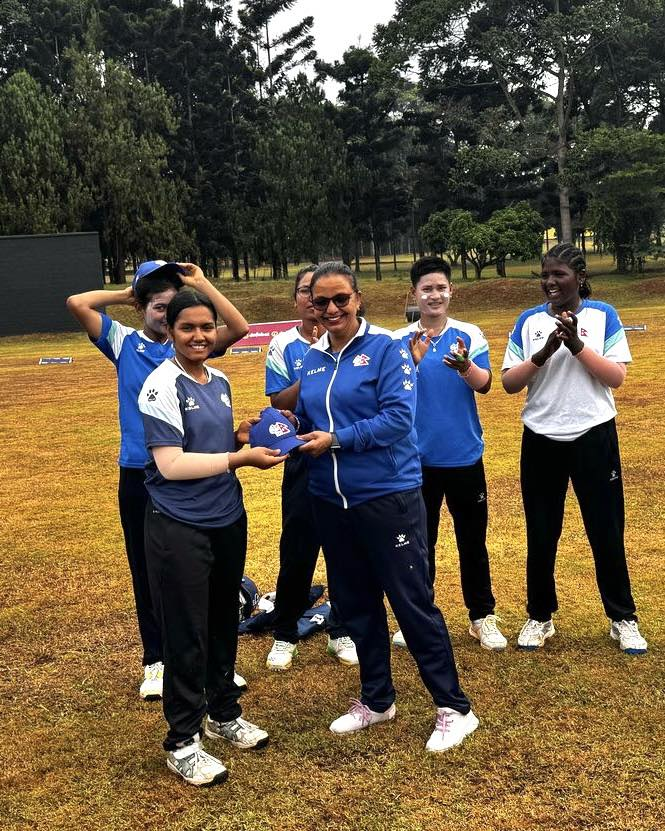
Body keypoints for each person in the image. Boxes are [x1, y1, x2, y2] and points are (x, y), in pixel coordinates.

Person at [296, 261, 478, 753]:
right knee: (355, 602)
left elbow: (398, 419)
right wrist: (282, 427)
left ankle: (455, 708)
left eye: (340, 299)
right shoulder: (312, 358)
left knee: (410, 601)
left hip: (386, 495)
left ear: (358, 299)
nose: (331, 308)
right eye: (321, 301)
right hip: (331, 500)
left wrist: (336, 439)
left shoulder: (386, 348)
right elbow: (310, 418)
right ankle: (377, 699)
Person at [66, 261, 250, 699]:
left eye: (172, 304)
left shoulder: (188, 343)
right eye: (158, 305)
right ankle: (156, 659)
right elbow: (77, 303)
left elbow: (239, 328)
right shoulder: (123, 341)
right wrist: (126, 295)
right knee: (147, 569)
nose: (165, 314)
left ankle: (208, 664)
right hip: (140, 470)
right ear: (143, 307)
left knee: (200, 574)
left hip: (190, 469)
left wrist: (200, 284)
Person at [138, 289, 286, 787]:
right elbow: (171, 464)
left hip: (227, 516)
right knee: (186, 631)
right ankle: (183, 741)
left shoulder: (218, 380)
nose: (199, 336)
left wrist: (242, 435)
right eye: (188, 328)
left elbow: (211, 443)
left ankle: (223, 713)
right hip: (178, 523)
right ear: (170, 331)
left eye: (206, 327)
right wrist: (239, 458)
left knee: (224, 619)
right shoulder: (160, 385)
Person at [501, 242, 647, 654]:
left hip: (594, 434)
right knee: (541, 532)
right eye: (545, 275)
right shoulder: (529, 321)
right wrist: (545, 352)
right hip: (541, 437)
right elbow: (510, 383)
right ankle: (539, 616)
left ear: (580, 278)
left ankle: (623, 618)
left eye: (559, 274)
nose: (550, 282)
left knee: (606, 531)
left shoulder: (603, 315)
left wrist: (577, 347)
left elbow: (615, 378)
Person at [393, 256, 507, 652]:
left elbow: (485, 384)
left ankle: (481, 616)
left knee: (472, 542)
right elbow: (392, 392)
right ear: (414, 293)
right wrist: (412, 360)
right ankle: (417, 619)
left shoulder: (469, 334)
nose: (434, 295)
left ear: (451, 291)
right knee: (418, 544)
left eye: (441, 287)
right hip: (415, 461)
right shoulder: (399, 340)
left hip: (463, 455)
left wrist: (465, 366)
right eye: (427, 288)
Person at [264, 266, 358, 670]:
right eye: (307, 293)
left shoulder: (355, 340)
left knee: (345, 549)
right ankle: (285, 633)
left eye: (322, 295)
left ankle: (342, 629)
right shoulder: (284, 345)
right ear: (299, 300)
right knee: (297, 549)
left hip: (346, 457)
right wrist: (315, 367)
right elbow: (279, 402)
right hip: (303, 458)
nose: (316, 303)